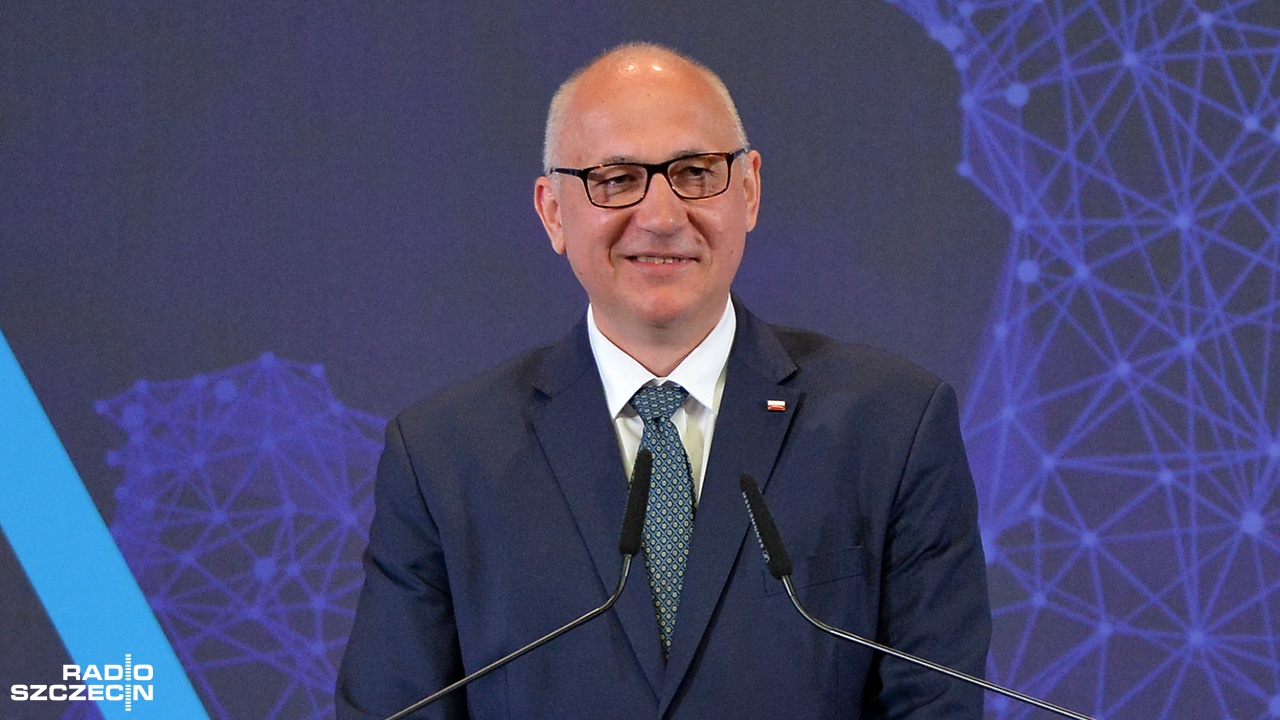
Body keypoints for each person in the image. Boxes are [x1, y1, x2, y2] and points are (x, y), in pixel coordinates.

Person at [336, 42, 989, 719]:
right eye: (616, 179)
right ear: (554, 212)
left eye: (695, 173)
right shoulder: (443, 455)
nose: (661, 217)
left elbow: (934, 704)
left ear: (749, 190)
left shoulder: (892, 427)